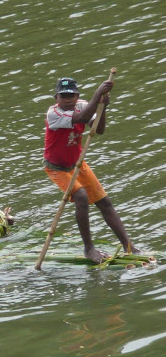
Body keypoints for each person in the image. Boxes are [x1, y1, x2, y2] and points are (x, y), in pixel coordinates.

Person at [43, 76, 139, 262]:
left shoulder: (83, 105)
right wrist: (97, 95)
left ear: (77, 95)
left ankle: (129, 246)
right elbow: (82, 118)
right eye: (63, 96)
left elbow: (99, 129)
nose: (68, 100)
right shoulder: (53, 113)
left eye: (71, 95)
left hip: (78, 163)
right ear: (56, 98)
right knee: (81, 196)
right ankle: (89, 249)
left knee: (104, 202)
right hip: (57, 168)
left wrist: (102, 108)